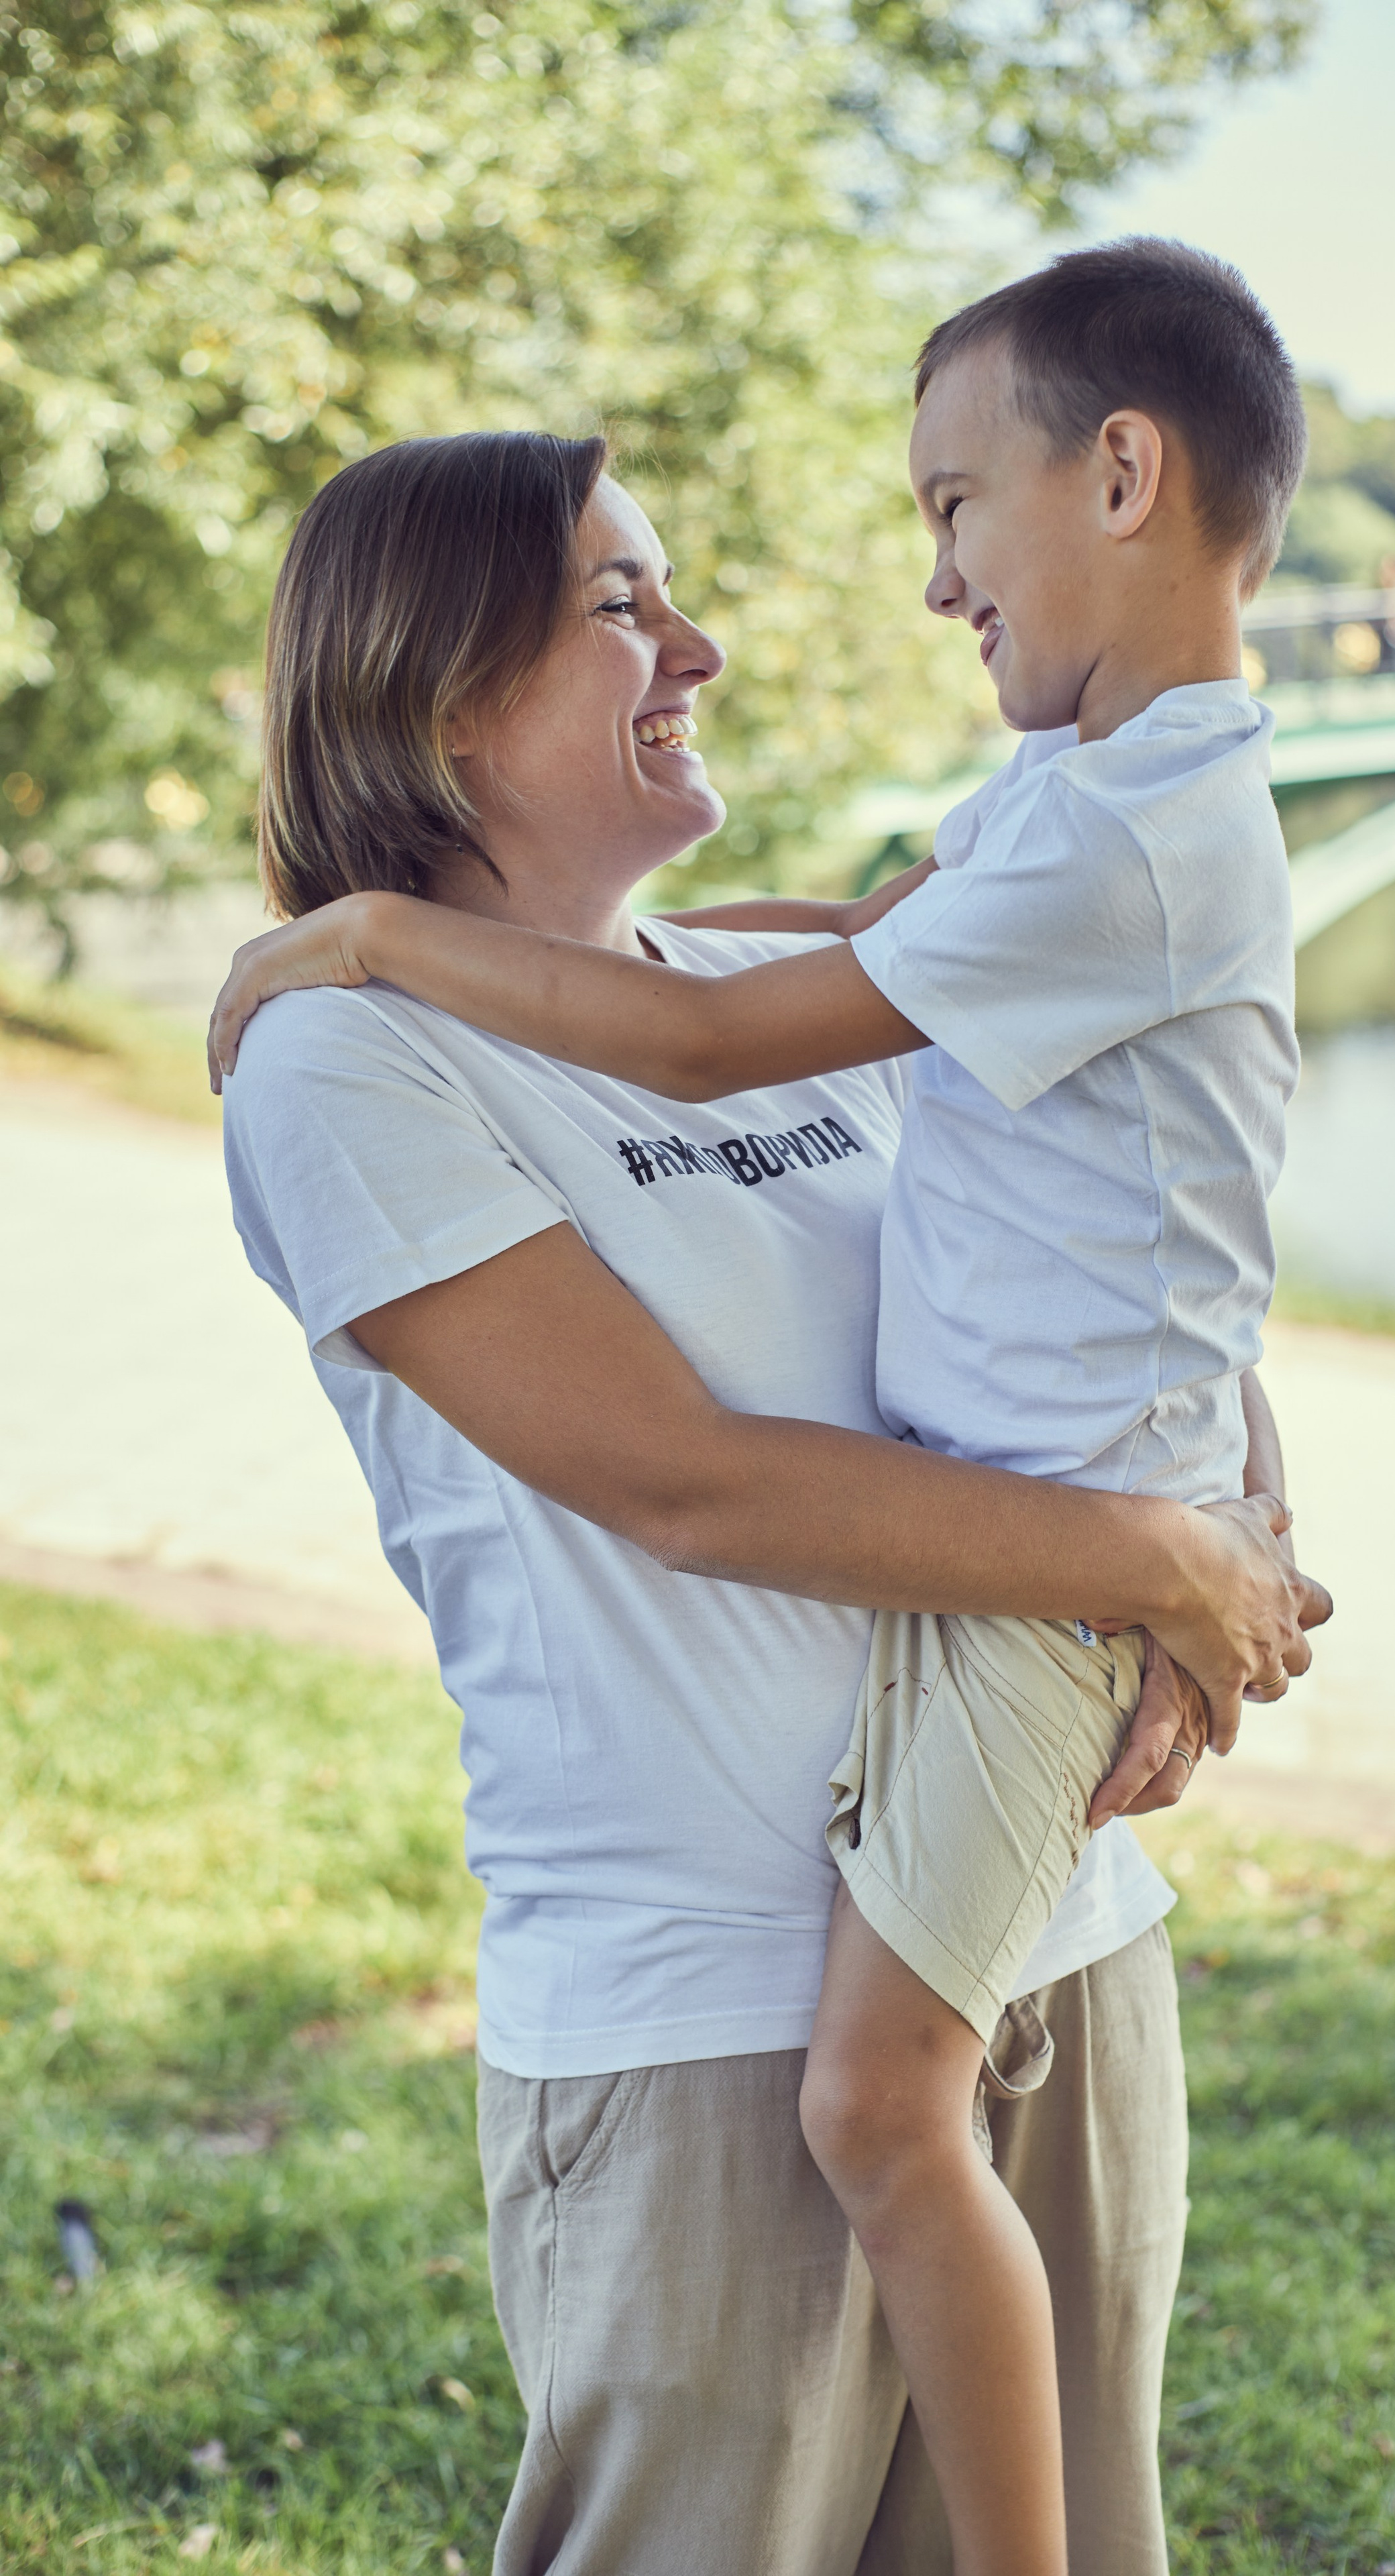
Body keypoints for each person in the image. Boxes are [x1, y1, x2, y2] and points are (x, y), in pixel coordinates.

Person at [213, 242, 1322, 2575]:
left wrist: (1231, 1501)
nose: (698, 649)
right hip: (716, 2030)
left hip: (1053, 1926)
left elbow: (1139, 1214)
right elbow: (687, 1485)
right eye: (627, 606)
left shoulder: (772, 971)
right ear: (429, 697)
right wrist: (1163, 1567)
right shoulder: (353, 1054)